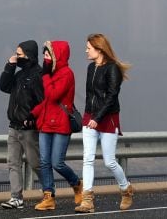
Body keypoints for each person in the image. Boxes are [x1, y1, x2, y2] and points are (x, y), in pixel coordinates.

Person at [75, 33, 133, 213]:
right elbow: (90, 96)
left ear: (99, 49)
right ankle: (87, 201)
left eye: (89, 48)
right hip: (89, 117)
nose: (86, 51)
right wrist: (87, 117)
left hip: (107, 119)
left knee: (109, 162)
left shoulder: (112, 69)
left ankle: (126, 190)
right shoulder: (90, 68)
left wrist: (97, 118)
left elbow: (111, 96)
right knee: (88, 159)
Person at [30, 40, 82, 211]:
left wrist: (45, 76)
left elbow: (53, 96)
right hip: (46, 123)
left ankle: (76, 183)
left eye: (47, 55)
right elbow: (46, 103)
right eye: (44, 55)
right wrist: (33, 114)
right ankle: (48, 197)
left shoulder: (66, 74)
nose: (45, 58)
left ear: (56, 56)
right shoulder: (51, 73)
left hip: (61, 124)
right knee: (44, 161)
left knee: (57, 162)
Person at [0, 40, 44, 209]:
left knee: (35, 163)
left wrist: (32, 119)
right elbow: (3, 86)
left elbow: (42, 102)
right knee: (13, 163)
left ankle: (48, 192)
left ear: (29, 55)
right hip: (14, 126)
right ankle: (16, 197)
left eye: (19, 54)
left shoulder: (38, 75)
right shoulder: (18, 75)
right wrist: (9, 66)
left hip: (29, 129)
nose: (16, 57)